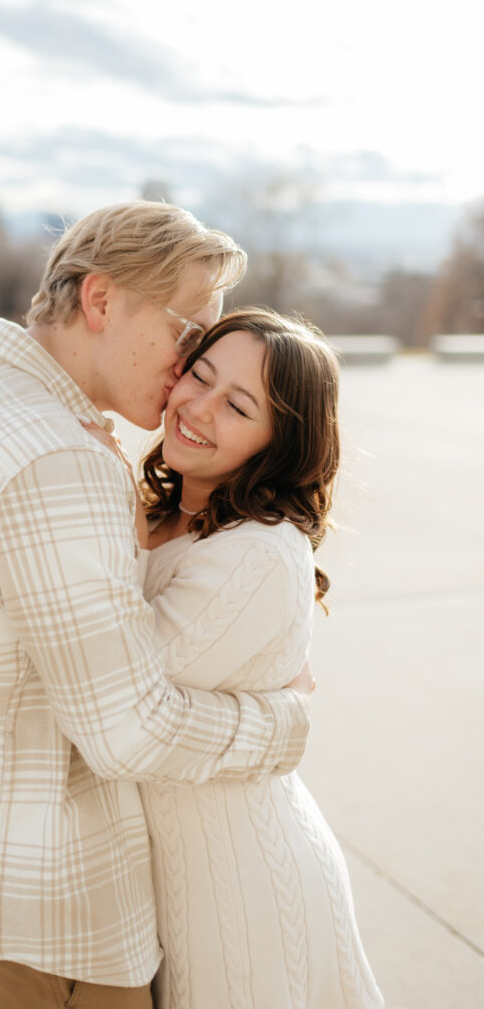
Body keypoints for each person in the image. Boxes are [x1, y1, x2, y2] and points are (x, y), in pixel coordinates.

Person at [0, 203, 315, 1009]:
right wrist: (281, 725)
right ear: (101, 300)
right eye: (186, 333)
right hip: (39, 913)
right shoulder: (56, 458)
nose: (187, 367)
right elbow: (128, 729)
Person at [127, 307, 383, 1008]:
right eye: (200, 376)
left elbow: (117, 698)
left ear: (280, 444)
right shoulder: (157, 513)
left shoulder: (260, 552)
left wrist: (282, 720)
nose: (198, 408)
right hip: (174, 882)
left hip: (241, 891)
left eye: (238, 407)